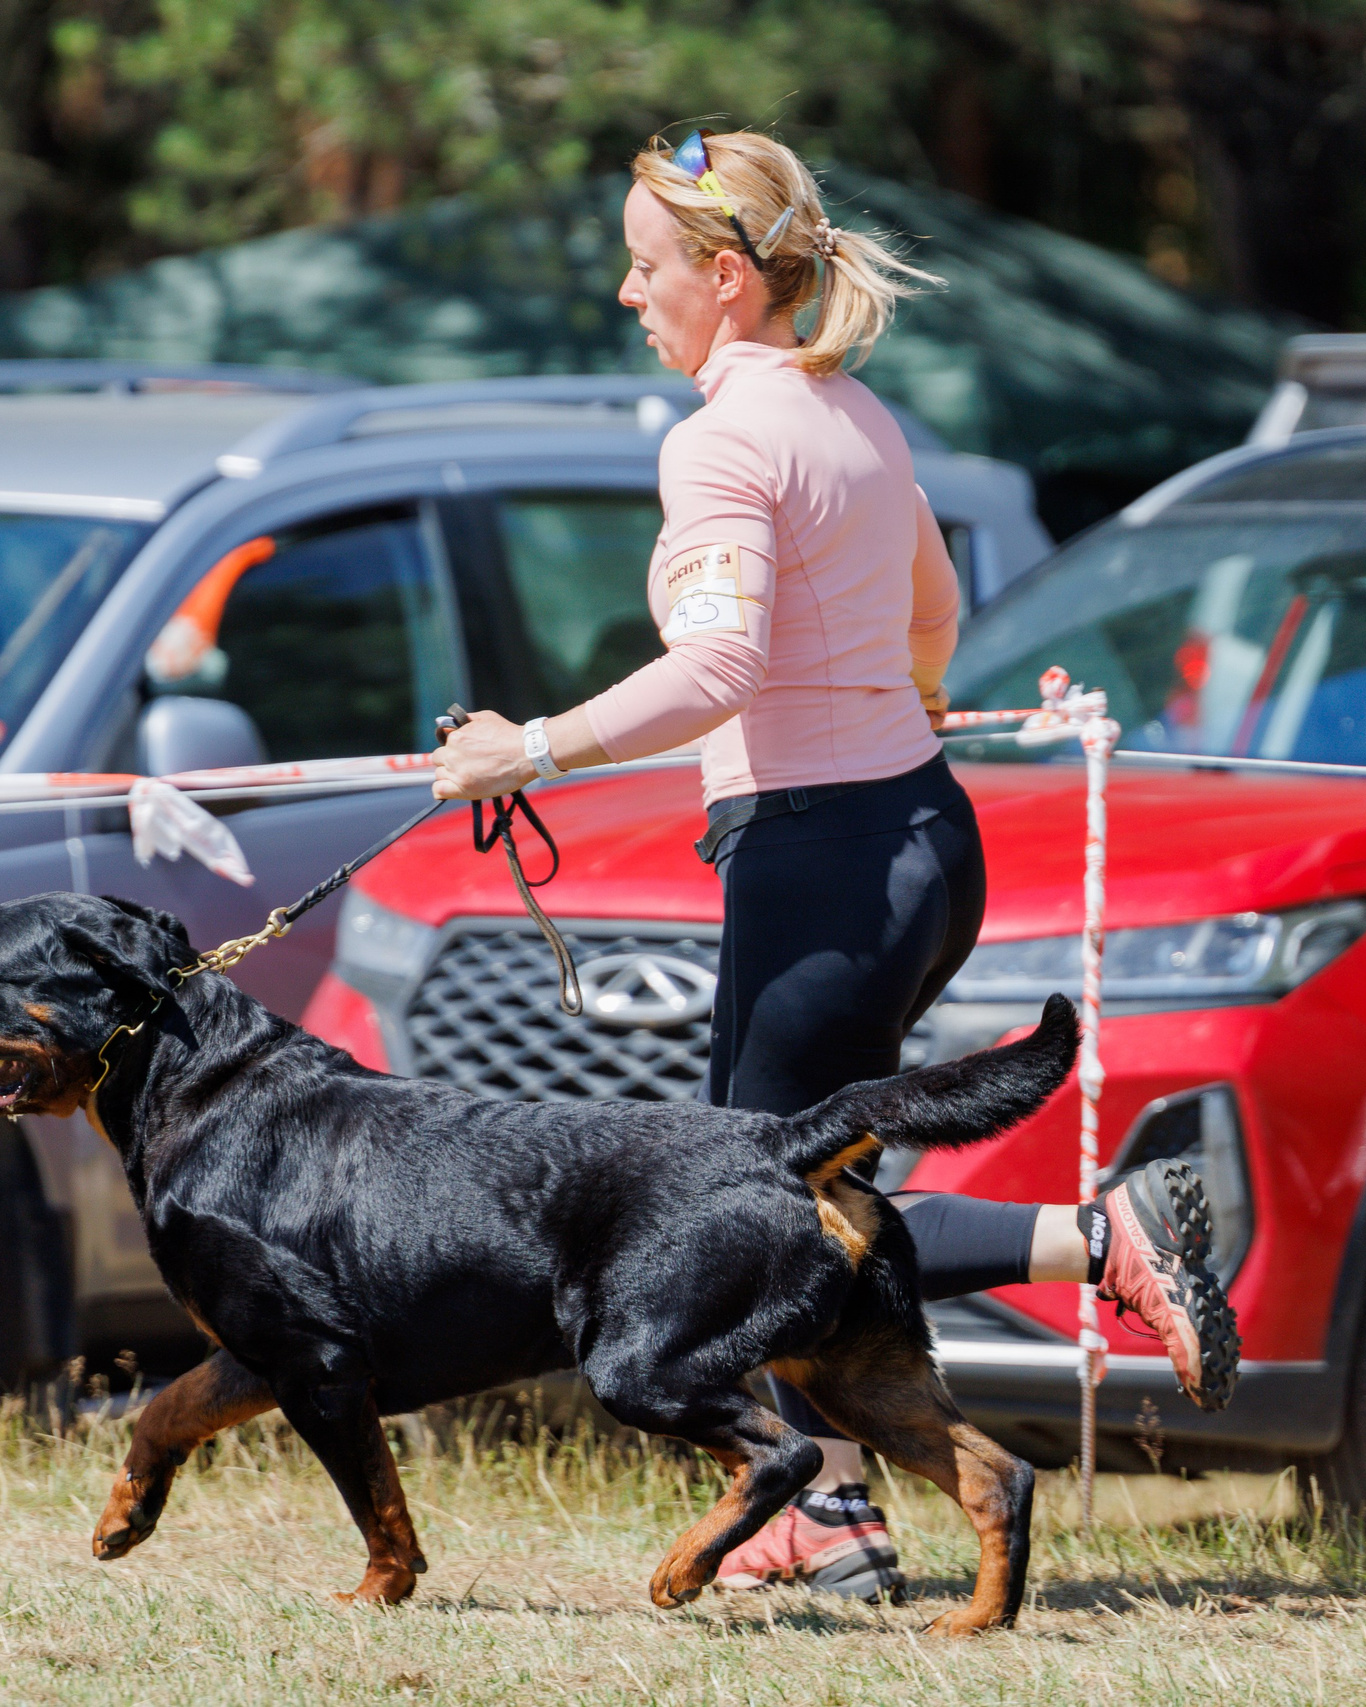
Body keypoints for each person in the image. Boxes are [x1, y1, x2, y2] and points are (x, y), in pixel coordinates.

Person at [430, 129, 1238, 1604]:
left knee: (771, 1217)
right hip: (921, 838)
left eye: (647, 264)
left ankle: (1094, 1240)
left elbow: (720, 663)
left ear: (726, 279)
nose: (628, 293)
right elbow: (935, 600)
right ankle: (839, 1515)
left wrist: (528, 749)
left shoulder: (725, 435)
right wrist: (907, 693)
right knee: (795, 1208)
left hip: (827, 860)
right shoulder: (853, 412)